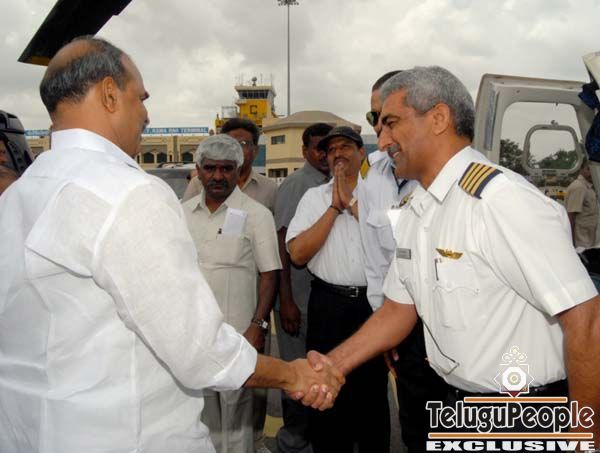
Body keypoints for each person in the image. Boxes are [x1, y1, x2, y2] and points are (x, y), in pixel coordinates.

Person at [0, 36, 343, 453]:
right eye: (140, 98)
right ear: (109, 94)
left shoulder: (19, 195)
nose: (146, 114)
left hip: (30, 432)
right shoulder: (129, 193)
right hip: (127, 437)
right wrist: (293, 375)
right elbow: (197, 349)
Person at [323, 66, 600, 444]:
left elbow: (586, 320)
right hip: (455, 404)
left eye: (391, 123)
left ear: (438, 118)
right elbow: (397, 309)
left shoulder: (501, 201)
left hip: (524, 413)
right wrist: (332, 365)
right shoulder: (416, 208)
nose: (382, 140)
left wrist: (585, 438)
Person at [358, 71, 448, 452]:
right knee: (415, 431)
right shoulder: (370, 174)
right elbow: (374, 260)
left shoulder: (444, 176)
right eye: (374, 119)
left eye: (389, 119)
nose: (381, 131)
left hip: (451, 323)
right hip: (403, 330)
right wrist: (384, 328)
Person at [286, 126, 390, 453]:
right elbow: (297, 254)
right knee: (324, 390)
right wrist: (333, 208)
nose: (337, 154)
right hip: (328, 305)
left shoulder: (380, 194)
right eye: (331, 150)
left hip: (371, 307)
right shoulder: (313, 198)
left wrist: (352, 203)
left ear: (361, 152)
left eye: (345, 147)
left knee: (371, 395)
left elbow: (391, 245)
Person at [182, 134, 282, 452]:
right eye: (210, 168)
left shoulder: (257, 215)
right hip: (194, 334)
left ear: (238, 171)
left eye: (226, 168)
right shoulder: (181, 213)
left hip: (238, 336)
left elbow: (270, 274)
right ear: (199, 170)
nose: (217, 176)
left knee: (237, 415)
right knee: (199, 415)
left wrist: (258, 325)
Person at [273, 122, 332, 453]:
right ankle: (293, 442)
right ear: (305, 151)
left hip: (322, 301)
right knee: (294, 376)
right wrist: (286, 300)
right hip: (297, 300)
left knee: (318, 375)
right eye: (318, 148)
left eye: (329, 148)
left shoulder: (334, 184)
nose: (324, 154)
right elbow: (281, 244)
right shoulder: (297, 186)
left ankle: (317, 439)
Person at [182, 118, 277, 211]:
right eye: (231, 143)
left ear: (255, 150)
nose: (237, 149)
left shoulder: (269, 188)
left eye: (243, 143)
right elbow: (184, 216)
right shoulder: (197, 184)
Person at [564, 160, 598, 248]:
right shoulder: (579, 187)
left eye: (593, 169)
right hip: (581, 242)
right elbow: (571, 216)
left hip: (588, 238)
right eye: (588, 169)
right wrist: (571, 243)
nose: (591, 173)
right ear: (581, 170)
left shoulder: (589, 187)